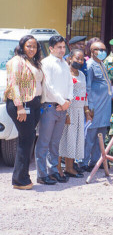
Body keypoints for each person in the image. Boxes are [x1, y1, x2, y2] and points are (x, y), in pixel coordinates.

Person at [5, 35, 44, 189]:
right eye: (28, 46)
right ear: (22, 46)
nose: (32, 49)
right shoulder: (16, 62)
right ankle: (20, 180)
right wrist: (20, 106)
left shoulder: (34, 61)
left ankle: (20, 177)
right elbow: (13, 84)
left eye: (34, 46)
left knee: (27, 140)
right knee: (26, 141)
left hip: (34, 104)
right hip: (21, 105)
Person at [34, 35, 74, 184]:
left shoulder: (64, 63)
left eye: (64, 47)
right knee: (44, 142)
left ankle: (54, 171)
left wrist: (68, 101)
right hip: (50, 107)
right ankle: (41, 174)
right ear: (51, 48)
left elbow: (70, 84)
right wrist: (63, 102)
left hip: (62, 107)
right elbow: (48, 87)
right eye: (59, 47)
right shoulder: (46, 63)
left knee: (55, 143)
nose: (62, 50)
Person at [58, 49, 89, 179]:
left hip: (79, 111)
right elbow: (62, 93)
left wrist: (86, 110)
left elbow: (84, 93)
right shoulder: (65, 74)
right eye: (77, 58)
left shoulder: (81, 74)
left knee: (74, 139)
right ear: (70, 58)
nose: (80, 61)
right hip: (68, 110)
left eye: (82, 59)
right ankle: (58, 168)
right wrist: (65, 113)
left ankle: (70, 168)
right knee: (63, 139)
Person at [83, 41, 113, 171]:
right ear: (91, 51)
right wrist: (89, 107)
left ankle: (95, 161)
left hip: (104, 107)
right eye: (98, 49)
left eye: (103, 49)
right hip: (95, 106)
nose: (101, 52)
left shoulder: (101, 63)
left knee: (100, 135)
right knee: (90, 136)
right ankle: (83, 163)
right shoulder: (90, 65)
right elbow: (87, 87)